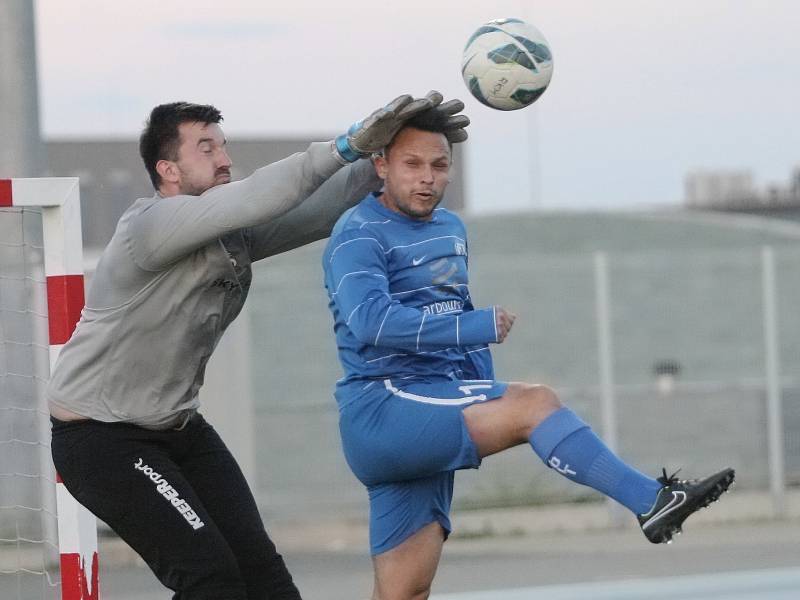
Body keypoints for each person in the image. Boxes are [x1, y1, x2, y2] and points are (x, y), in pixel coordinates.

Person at [47, 92, 470, 599]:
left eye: (224, 146)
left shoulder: (232, 238)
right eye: (206, 148)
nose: (225, 159)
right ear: (169, 170)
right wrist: (346, 144)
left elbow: (321, 207)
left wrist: (391, 155)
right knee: (211, 581)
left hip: (179, 429)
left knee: (265, 580)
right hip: (103, 440)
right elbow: (261, 195)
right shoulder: (148, 227)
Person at [322, 109, 735, 600]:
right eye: (413, 164)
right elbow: (371, 322)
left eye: (439, 164)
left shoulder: (450, 226)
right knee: (535, 403)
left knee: (405, 592)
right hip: (385, 408)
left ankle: (651, 501)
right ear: (381, 164)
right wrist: (478, 331)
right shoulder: (358, 232)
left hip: (432, 404)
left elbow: (453, 313)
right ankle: (652, 501)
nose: (428, 178)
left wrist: (480, 376)